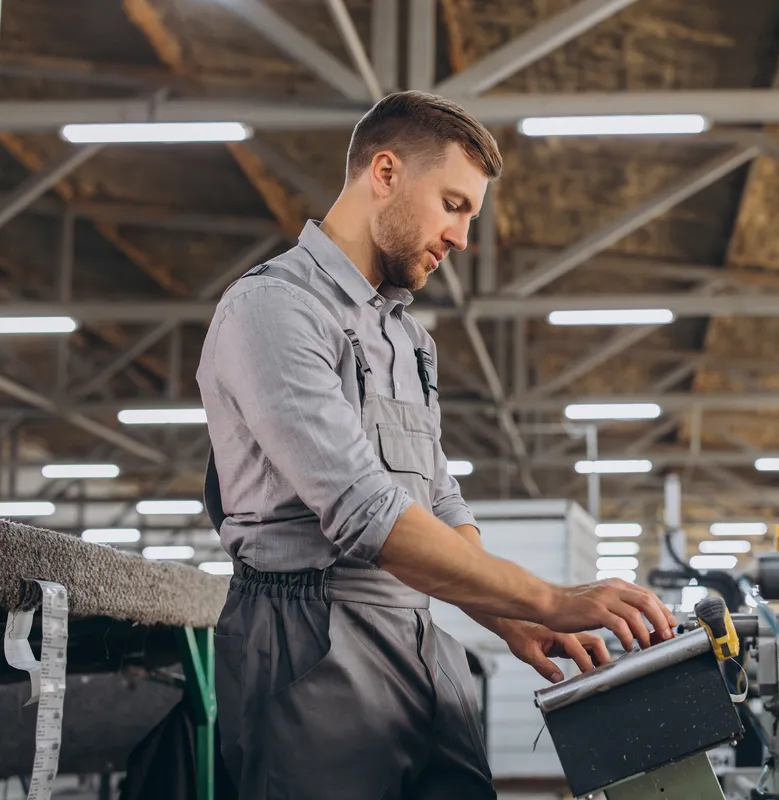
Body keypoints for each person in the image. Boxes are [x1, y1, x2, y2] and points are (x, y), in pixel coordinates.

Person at [196, 91, 677, 800]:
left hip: (416, 630)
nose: (461, 238)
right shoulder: (273, 308)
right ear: (385, 173)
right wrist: (549, 598)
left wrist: (508, 616)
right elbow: (366, 512)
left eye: (469, 215)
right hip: (307, 639)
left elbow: (438, 498)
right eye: (453, 205)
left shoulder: (407, 338)